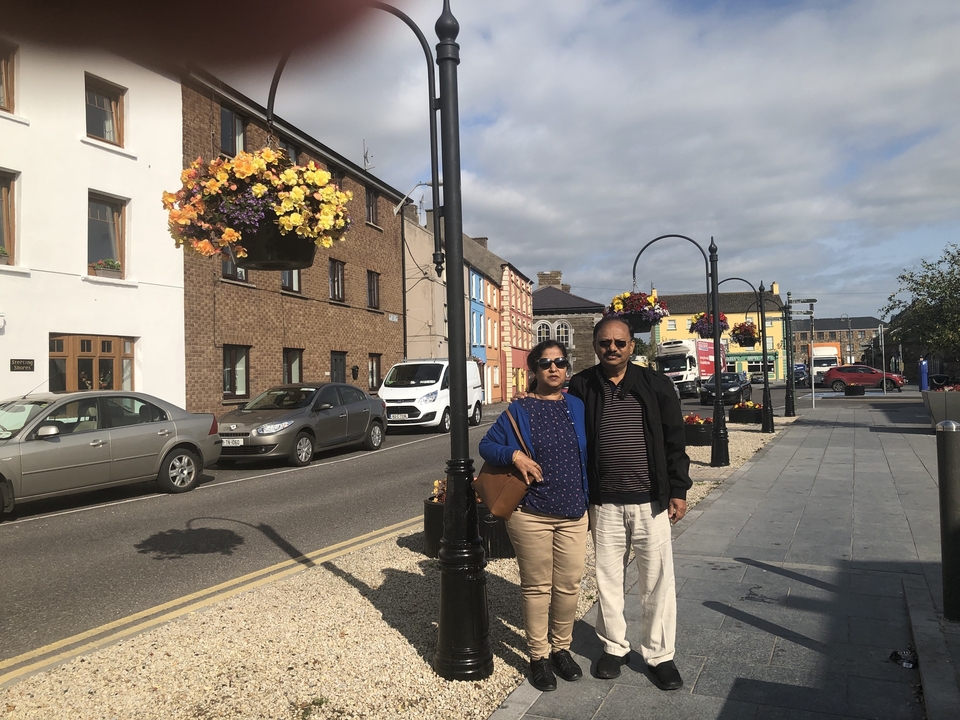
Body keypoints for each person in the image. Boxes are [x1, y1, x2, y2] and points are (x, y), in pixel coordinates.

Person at [567, 316, 691, 691]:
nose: (612, 348)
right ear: (595, 345)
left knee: (657, 581)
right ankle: (614, 648)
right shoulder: (582, 385)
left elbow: (675, 440)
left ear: (631, 346)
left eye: (619, 342)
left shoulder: (656, 384)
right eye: (605, 342)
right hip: (604, 502)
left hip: (650, 501)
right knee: (608, 580)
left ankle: (659, 656)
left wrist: (679, 489)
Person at [479, 340, 590, 693]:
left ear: (567, 368)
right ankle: (538, 656)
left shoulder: (577, 406)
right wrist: (515, 456)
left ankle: (561, 649)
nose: (553, 368)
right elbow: (486, 446)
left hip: (574, 512)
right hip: (531, 513)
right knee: (537, 587)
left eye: (560, 362)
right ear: (534, 370)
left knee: (569, 584)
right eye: (545, 363)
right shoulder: (520, 409)